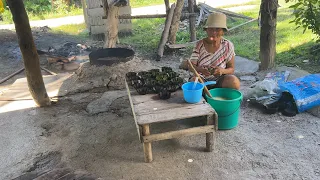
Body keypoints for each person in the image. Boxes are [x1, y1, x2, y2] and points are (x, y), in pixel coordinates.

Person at [184, 12, 240, 90]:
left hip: (220, 80)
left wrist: (221, 71)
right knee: (194, 82)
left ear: (223, 31)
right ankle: (203, 96)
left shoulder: (228, 45)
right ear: (206, 30)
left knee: (233, 81)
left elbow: (231, 69)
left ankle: (219, 96)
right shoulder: (199, 45)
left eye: (217, 29)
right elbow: (191, 66)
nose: (214, 33)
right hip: (201, 79)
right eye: (211, 29)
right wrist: (200, 69)